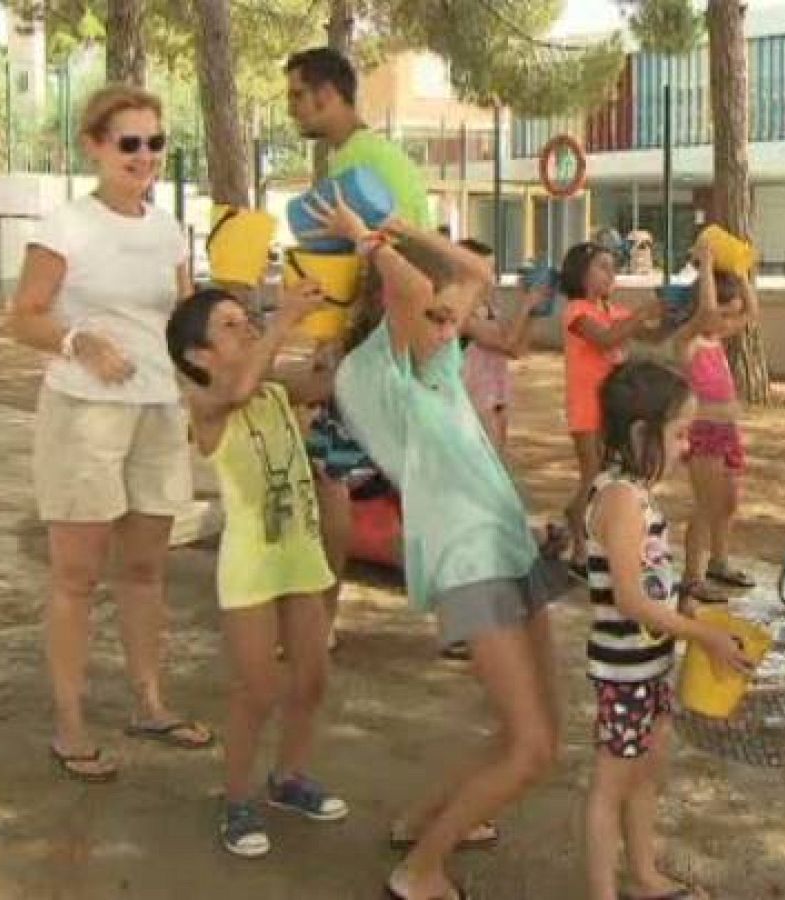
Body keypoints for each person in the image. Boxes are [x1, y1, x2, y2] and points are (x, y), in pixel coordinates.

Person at [299, 192, 572, 900]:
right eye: (433, 310)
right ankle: (420, 869)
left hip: (509, 545)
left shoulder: (437, 361)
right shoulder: (369, 373)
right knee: (532, 748)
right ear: (390, 296)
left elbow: (473, 275)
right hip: (468, 559)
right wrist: (373, 242)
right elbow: (422, 287)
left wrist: (408, 230)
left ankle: (423, 822)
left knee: (539, 732)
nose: (448, 319)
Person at [9, 84, 213, 783]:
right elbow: (24, 315)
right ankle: (70, 724)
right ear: (94, 146)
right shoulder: (66, 225)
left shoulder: (166, 229)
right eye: (129, 143)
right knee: (75, 575)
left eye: (156, 142)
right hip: (83, 412)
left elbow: (186, 323)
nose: (145, 156)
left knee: (147, 570)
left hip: (159, 411)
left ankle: (150, 703)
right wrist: (78, 343)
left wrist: (208, 385)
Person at [166, 283, 350, 857]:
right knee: (256, 689)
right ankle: (237, 798)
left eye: (245, 319)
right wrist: (286, 319)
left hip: (300, 554)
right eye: (228, 326)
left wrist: (337, 336)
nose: (246, 327)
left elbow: (323, 384)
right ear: (198, 356)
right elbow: (240, 385)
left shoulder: (273, 387)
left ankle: (288, 777)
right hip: (251, 563)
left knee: (312, 677)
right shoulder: (205, 402)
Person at [582, 359, 754, 900]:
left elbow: (649, 586)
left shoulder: (636, 492)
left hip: (647, 666)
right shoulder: (620, 499)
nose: (685, 448)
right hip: (624, 670)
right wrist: (700, 635)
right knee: (612, 785)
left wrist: (691, 612)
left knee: (646, 773)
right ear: (640, 433)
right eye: (679, 434)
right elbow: (631, 601)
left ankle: (645, 874)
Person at [286, 45, 433, 647]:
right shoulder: (371, 157)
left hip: (380, 346)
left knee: (331, 477)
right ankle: (466, 622)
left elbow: (399, 257)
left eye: (297, 95)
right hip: (388, 343)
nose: (293, 107)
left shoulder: (366, 160)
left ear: (326, 94)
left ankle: (322, 619)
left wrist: (352, 345)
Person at [561, 241, 663, 572]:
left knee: (608, 474)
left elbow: (654, 336)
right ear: (581, 274)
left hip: (614, 406)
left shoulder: (615, 312)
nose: (610, 274)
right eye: (602, 267)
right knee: (593, 474)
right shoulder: (576, 310)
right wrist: (641, 315)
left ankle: (585, 529)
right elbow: (604, 338)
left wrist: (672, 309)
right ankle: (579, 545)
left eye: (612, 267)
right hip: (586, 404)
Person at [671, 240, 760, 605]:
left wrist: (740, 272)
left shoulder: (716, 339)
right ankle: (692, 577)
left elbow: (751, 315)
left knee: (727, 503)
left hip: (727, 433)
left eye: (730, 315)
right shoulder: (688, 341)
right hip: (704, 434)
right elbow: (708, 314)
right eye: (725, 314)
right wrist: (706, 266)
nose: (726, 323)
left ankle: (719, 561)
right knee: (706, 506)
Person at [285, 47, 432, 229]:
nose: (290, 111)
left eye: (298, 96)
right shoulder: (370, 151)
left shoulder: (357, 162)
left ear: (327, 93)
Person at [457, 238, 549, 453]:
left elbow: (517, 349)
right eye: (483, 271)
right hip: (472, 405)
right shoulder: (461, 313)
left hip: (496, 400)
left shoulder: (489, 308)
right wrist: (525, 304)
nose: (490, 278)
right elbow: (506, 342)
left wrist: (534, 311)